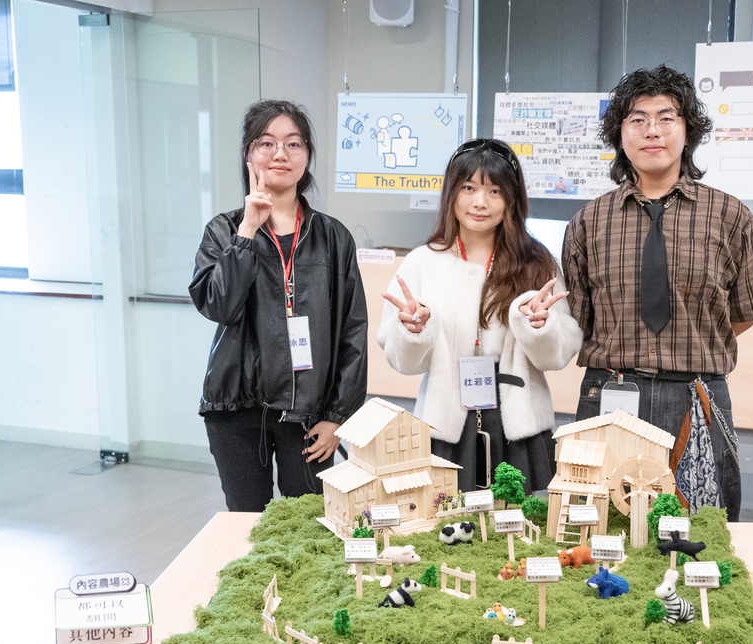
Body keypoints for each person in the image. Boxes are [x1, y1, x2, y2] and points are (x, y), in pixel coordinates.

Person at [561, 65, 753, 521]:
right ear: (620, 134)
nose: (652, 130)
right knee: (601, 524)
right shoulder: (588, 221)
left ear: (688, 131)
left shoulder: (731, 216)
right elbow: (578, 320)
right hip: (611, 390)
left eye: (666, 117)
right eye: (637, 119)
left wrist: (690, 343)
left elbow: (744, 312)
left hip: (696, 394)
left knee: (701, 527)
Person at [190, 100, 368, 512]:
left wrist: (338, 416)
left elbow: (353, 331)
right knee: (247, 523)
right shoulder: (224, 230)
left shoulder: (333, 237)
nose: (280, 154)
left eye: (293, 143)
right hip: (237, 408)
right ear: (248, 154)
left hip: (309, 414)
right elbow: (218, 306)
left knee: (310, 524)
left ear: (307, 155)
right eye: (266, 143)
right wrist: (247, 231)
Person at [377, 138, 583, 494]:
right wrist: (412, 331)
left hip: (518, 424)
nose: (480, 202)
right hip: (446, 424)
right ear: (451, 193)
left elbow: (557, 356)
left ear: (512, 199)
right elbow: (403, 362)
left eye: (494, 191)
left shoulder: (538, 263)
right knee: (445, 520)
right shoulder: (422, 262)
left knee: (517, 521)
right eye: (468, 188)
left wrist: (541, 328)